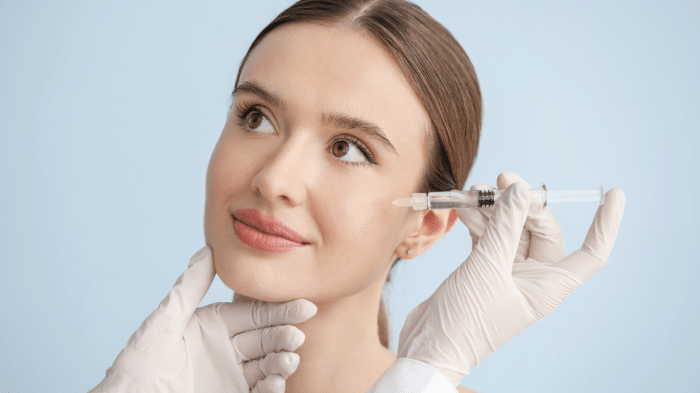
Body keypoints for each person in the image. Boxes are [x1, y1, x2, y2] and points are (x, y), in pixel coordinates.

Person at [91, 0, 625, 392]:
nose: (275, 179)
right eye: (256, 117)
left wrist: (423, 376)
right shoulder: (154, 377)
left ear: (427, 223)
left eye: (348, 148)